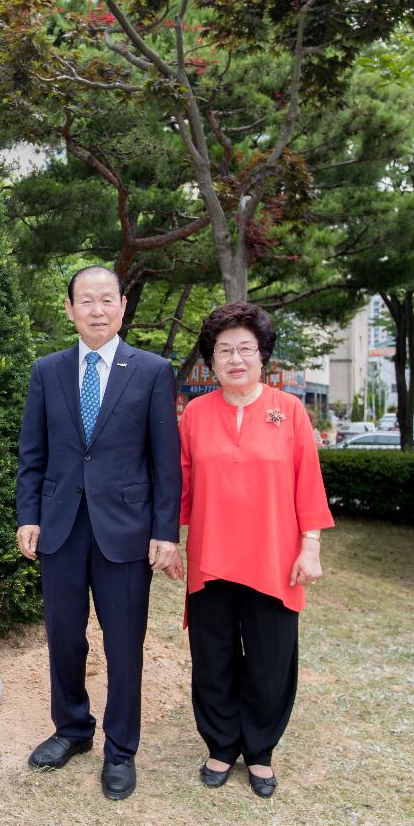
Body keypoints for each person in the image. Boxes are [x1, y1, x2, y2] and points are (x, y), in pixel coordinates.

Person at [15, 265, 182, 801]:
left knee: (125, 643)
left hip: (127, 532)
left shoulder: (153, 371)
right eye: (85, 300)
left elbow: (166, 462)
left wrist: (165, 530)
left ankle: (121, 749)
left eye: (106, 299)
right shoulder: (47, 371)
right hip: (61, 528)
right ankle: (71, 730)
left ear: (122, 306)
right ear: (69, 309)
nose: (96, 309)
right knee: (64, 637)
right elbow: (32, 455)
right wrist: (29, 515)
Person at [178, 302, 333, 798]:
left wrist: (310, 547)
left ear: (263, 355)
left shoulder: (288, 411)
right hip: (211, 557)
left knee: (270, 663)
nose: (236, 358)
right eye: (225, 350)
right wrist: (167, 539)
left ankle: (260, 751)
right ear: (212, 361)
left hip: (273, 559)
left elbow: (308, 482)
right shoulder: (195, 415)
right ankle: (221, 745)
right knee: (213, 657)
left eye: (246, 348)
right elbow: (179, 486)